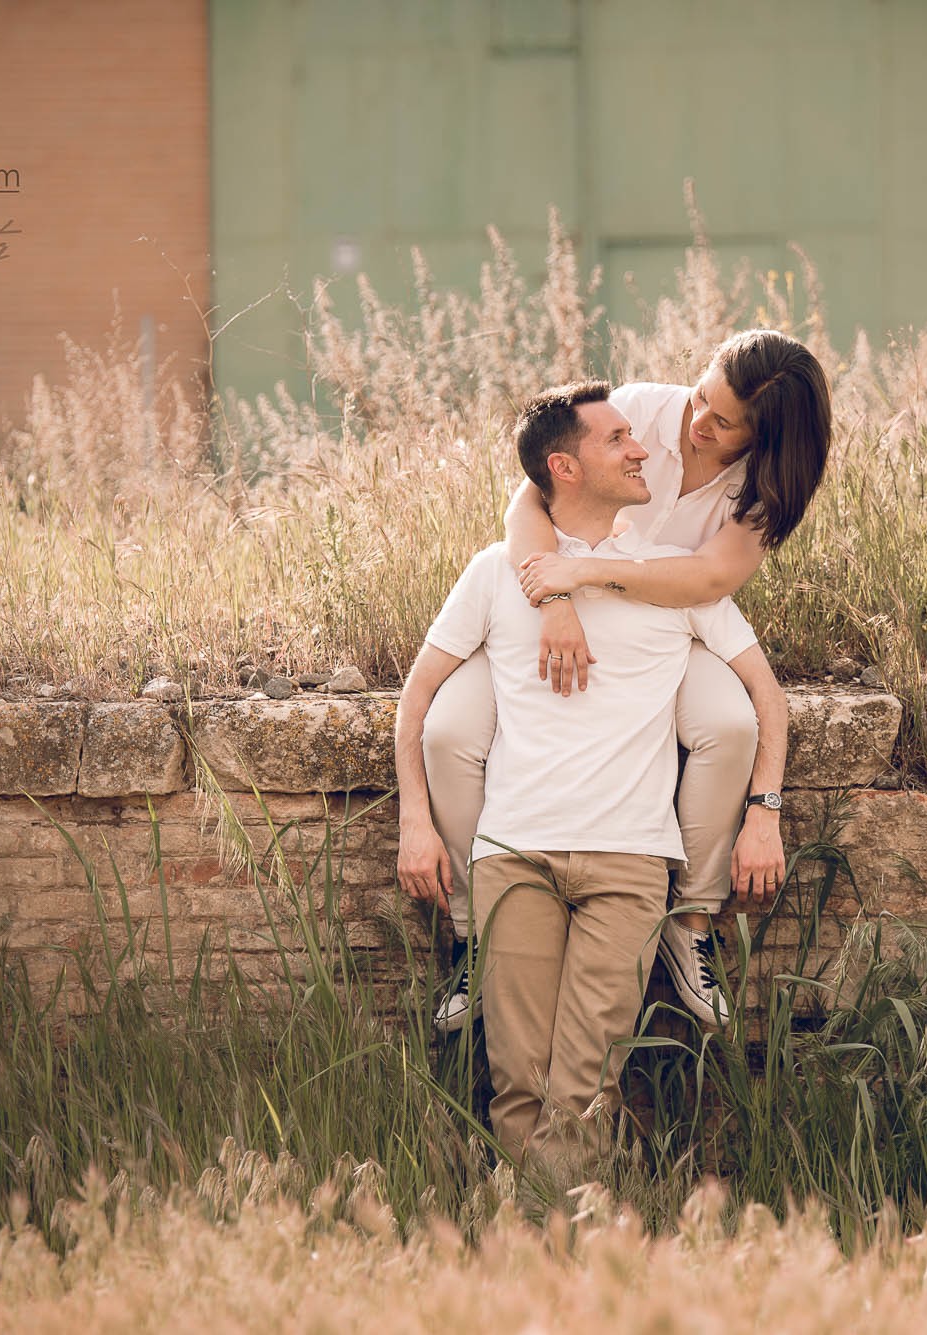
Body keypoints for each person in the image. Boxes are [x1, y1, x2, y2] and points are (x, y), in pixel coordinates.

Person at [394, 381, 789, 1168]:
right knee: (516, 1084)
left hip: (628, 863)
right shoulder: (495, 574)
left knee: (582, 1089)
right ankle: (545, 1259)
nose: (642, 446)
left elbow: (765, 702)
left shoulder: (672, 575)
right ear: (565, 469)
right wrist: (415, 820)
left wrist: (762, 812)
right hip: (513, 856)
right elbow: (419, 701)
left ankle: (550, 1255)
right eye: (617, 441)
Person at [423, 329, 831, 1031]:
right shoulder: (637, 407)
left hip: (670, 623)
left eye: (723, 420)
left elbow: (709, 577)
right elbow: (528, 504)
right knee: (450, 731)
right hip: (550, 605)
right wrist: (554, 598)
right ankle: (473, 932)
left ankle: (690, 920)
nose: (697, 420)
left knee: (729, 725)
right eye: (703, 395)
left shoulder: (764, 486)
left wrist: (597, 573)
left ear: (765, 439)